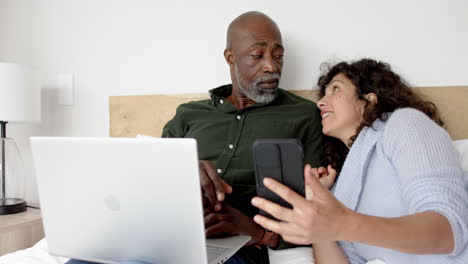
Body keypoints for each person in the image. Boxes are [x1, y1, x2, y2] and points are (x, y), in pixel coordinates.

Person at [251, 58, 468, 263]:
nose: (321, 103)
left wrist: (341, 224)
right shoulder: (344, 183)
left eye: (336, 89)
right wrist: (318, 215)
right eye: (323, 95)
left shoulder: (404, 123)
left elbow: (449, 230)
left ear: (369, 99)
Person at [161, 11, 322, 264]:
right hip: (173, 234)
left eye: (279, 56)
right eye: (258, 55)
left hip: (243, 248)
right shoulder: (188, 114)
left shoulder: (303, 115)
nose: (271, 66)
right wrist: (183, 171)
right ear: (230, 57)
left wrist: (261, 235)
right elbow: (152, 184)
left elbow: (319, 207)